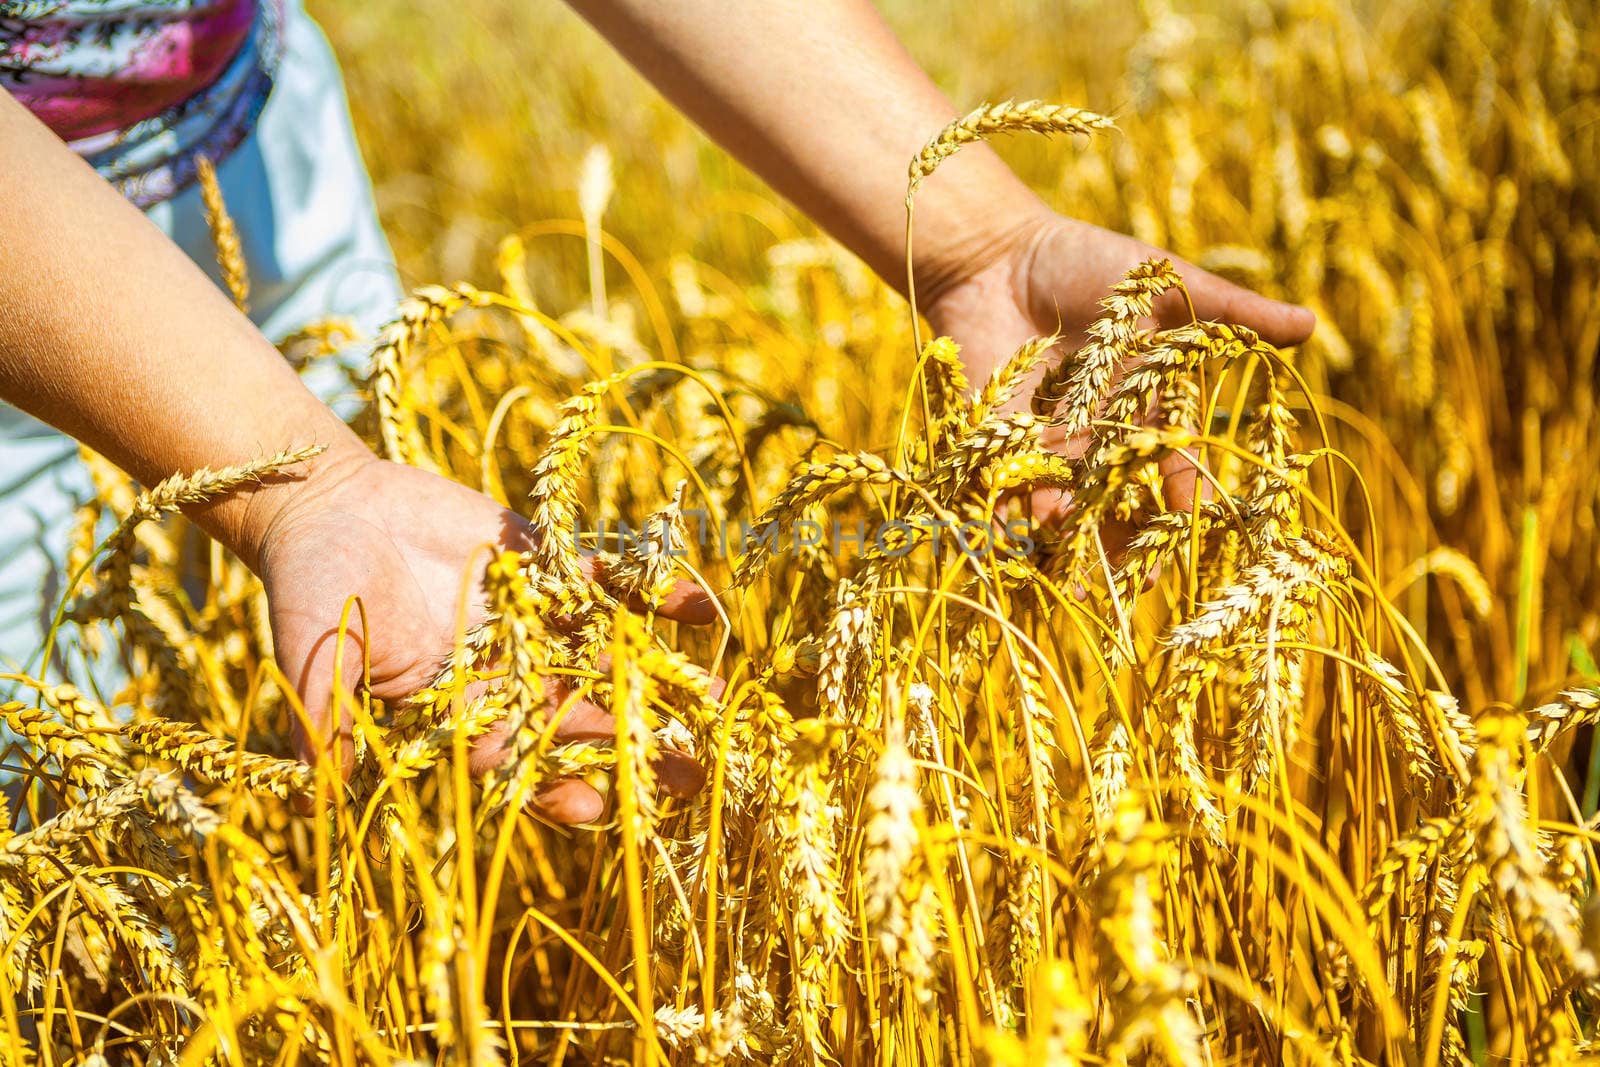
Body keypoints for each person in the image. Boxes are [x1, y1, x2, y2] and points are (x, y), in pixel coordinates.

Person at [0, 0, 1314, 823]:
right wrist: (302, 487)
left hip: (257, 133)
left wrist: (981, 244)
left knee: (334, 762)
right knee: (76, 821)